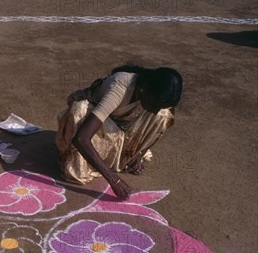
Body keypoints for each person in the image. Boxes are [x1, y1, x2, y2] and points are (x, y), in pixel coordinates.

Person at [55, 65, 183, 200]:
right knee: (79, 110)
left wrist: (140, 153)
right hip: (98, 127)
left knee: (164, 115)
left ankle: (129, 156)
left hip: (121, 127)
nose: (155, 111)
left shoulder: (151, 100)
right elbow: (81, 138)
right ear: (143, 89)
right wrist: (114, 180)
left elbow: (159, 115)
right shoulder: (119, 88)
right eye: (154, 104)